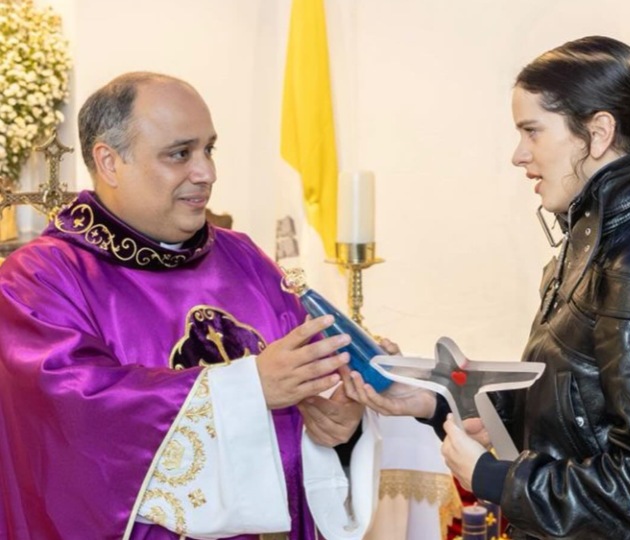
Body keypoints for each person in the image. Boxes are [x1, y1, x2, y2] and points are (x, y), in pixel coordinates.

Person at [343, 36, 630, 540]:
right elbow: (574, 417)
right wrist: (436, 399)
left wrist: (496, 478)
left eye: (532, 131)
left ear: (598, 133)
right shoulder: (591, 248)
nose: (519, 155)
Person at [0, 72, 373, 539]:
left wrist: (337, 428)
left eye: (208, 149)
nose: (206, 173)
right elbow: (75, 417)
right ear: (110, 162)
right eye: (180, 154)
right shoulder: (40, 279)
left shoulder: (243, 258)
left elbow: (306, 397)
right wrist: (248, 387)